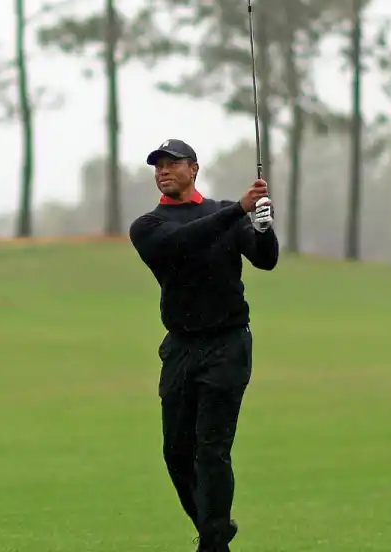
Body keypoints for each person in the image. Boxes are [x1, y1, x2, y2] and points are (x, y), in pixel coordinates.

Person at [128, 138, 279, 552]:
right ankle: (215, 533)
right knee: (176, 453)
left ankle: (212, 544)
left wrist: (262, 227)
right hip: (180, 348)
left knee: (212, 449)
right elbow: (179, 245)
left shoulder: (225, 213)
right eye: (157, 165)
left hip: (228, 344)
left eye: (171, 163)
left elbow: (265, 260)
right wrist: (239, 211)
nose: (162, 170)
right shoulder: (148, 226)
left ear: (193, 168)